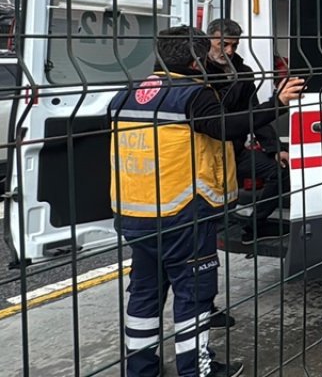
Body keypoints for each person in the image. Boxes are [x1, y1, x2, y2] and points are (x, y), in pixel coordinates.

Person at [110, 26, 304, 377]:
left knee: (143, 294)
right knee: (194, 294)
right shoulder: (191, 95)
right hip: (181, 213)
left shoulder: (128, 93)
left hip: (134, 212)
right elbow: (226, 128)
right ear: (196, 59)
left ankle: (139, 369)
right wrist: (277, 104)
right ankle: (196, 370)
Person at [204, 19, 291, 246]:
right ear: (209, 40)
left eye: (234, 45)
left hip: (234, 150)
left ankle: (254, 227)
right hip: (205, 152)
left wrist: (276, 149)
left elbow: (253, 113)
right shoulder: (196, 72)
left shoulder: (243, 73)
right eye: (222, 44)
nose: (229, 51)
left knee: (280, 171)